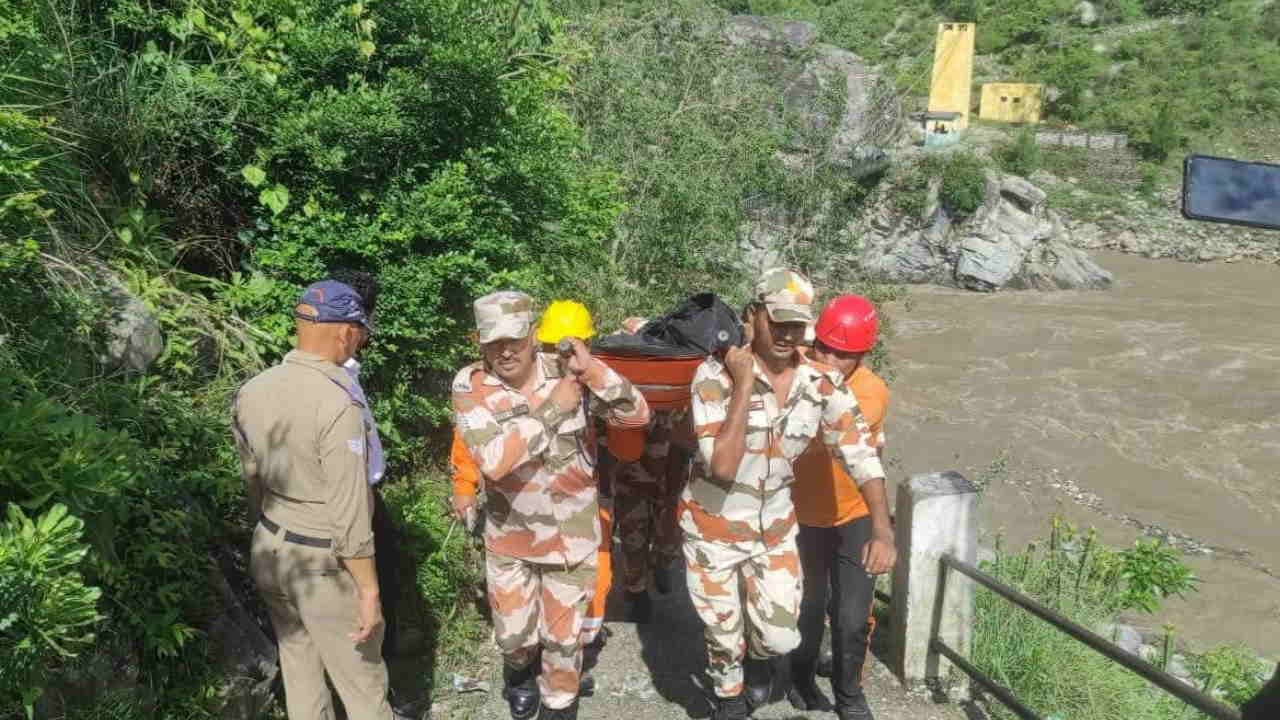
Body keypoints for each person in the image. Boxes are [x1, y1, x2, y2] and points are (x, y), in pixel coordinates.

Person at [681, 269, 886, 720]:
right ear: (753, 316)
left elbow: (861, 454)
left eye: (798, 326)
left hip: (773, 528)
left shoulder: (820, 383)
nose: (789, 335)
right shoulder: (713, 376)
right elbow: (723, 467)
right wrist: (741, 386)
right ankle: (729, 700)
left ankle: (758, 660)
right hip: (713, 528)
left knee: (778, 637)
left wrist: (883, 529)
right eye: (779, 323)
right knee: (721, 630)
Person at [451, 291, 650, 720]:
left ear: (533, 334)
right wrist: (552, 410)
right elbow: (494, 461)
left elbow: (636, 415)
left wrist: (593, 371)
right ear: (479, 343)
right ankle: (519, 674)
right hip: (511, 542)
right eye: (492, 342)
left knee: (563, 646)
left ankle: (560, 706)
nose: (504, 351)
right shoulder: (471, 386)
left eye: (514, 339)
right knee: (514, 637)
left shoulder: (569, 373)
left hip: (571, 540)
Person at [232, 280, 400, 719]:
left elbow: (253, 477)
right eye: (361, 335)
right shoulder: (338, 403)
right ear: (346, 332)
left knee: (300, 672)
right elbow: (348, 511)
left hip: (270, 549)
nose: (359, 344)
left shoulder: (254, 389)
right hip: (322, 562)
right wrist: (368, 590)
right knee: (364, 689)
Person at [788, 295, 895, 720]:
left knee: (851, 616)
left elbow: (827, 441)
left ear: (862, 356)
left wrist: (882, 529)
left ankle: (849, 694)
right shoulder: (795, 364)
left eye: (842, 354)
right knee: (807, 610)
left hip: (852, 516)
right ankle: (800, 679)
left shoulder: (870, 393)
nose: (829, 359)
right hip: (800, 517)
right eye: (822, 348)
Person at [609, 317, 694, 623]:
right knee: (633, 530)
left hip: (671, 469)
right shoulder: (616, 380)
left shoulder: (678, 375)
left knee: (669, 526)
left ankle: (664, 563)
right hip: (632, 470)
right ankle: (636, 590)